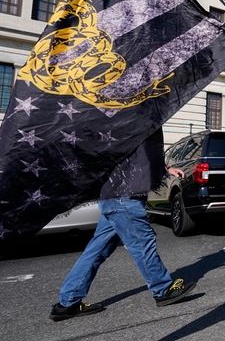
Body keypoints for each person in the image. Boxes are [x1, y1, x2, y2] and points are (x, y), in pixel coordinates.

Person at [50, 129, 196, 322]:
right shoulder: (138, 114)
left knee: (96, 250)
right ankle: (162, 289)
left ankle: (67, 302)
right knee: (142, 243)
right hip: (124, 197)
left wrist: (164, 169)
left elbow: (140, 153)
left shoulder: (128, 115)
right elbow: (140, 152)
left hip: (114, 195)